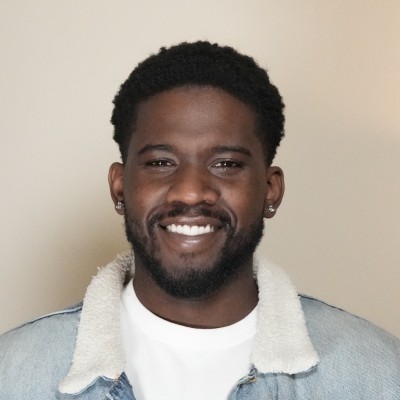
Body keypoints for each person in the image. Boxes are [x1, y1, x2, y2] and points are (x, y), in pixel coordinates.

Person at [0, 41, 399, 400]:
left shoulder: (379, 375)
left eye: (226, 164)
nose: (190, 192)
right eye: (161, 162)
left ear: (270, 190)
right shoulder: (12, 373)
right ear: (120, 187)